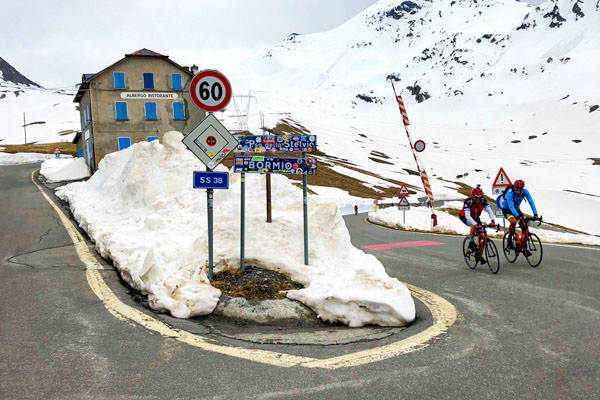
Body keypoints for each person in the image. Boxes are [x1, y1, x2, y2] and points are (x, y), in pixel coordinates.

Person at [459, 185, 496, 263]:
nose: (477, 199)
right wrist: (476, 224)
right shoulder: (468, 201)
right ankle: (471, 242)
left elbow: (489, 211)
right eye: (476, 197)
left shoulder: (483, 200)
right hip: (465, 216)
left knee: (482, 235)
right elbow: (468, 216)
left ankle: (478, 254)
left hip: (475, 217)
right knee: (473, 226)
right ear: (473, 196)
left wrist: (492, 221)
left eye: (479, 197)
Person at [500, 179, 538, 250]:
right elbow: (511, 207)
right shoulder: (510, 193)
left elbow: (531, 202)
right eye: (517, 188)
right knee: (513, 222)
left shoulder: (525, 192)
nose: (518, 190)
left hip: (516, 210)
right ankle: (509, 241)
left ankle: (523, 246)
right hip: (507, 210)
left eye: (520, 189)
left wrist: (535, 214)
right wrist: (517, 217)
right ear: (514, 187)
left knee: (524, 225)